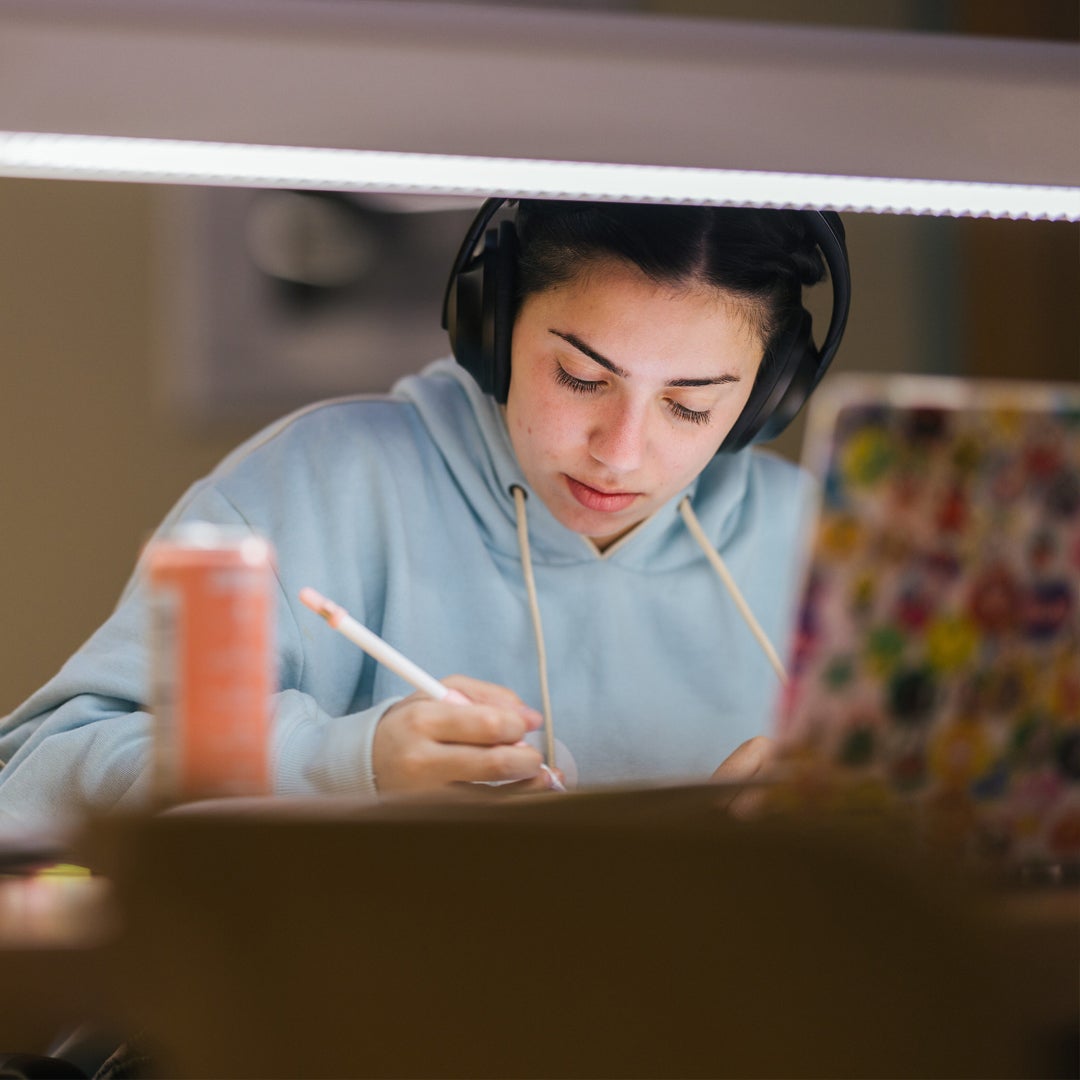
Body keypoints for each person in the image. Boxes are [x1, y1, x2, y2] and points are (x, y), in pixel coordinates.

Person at [0, 198, 850, 828]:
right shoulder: (319, 483)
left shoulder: (824, 546)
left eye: (690, 407)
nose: (619, 451)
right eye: (582, 379)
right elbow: (30, 785)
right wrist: (346, 764)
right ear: (494, 320)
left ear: (769, 398)